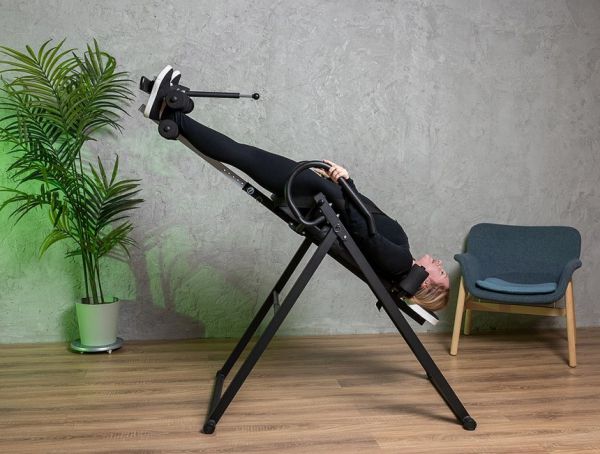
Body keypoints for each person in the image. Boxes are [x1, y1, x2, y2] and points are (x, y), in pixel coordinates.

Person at [144, 65, 450, 312]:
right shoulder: (401, 259)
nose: (439, 264)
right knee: (243, 154)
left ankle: (170, 113)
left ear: (426, 284)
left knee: (242, 155)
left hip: (314, 193)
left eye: (441, 272)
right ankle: (171, 112)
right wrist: (343, 182)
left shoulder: (399, 263)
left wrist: (343, 182)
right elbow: (365, 219)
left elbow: (362, 228)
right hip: (320, 191)